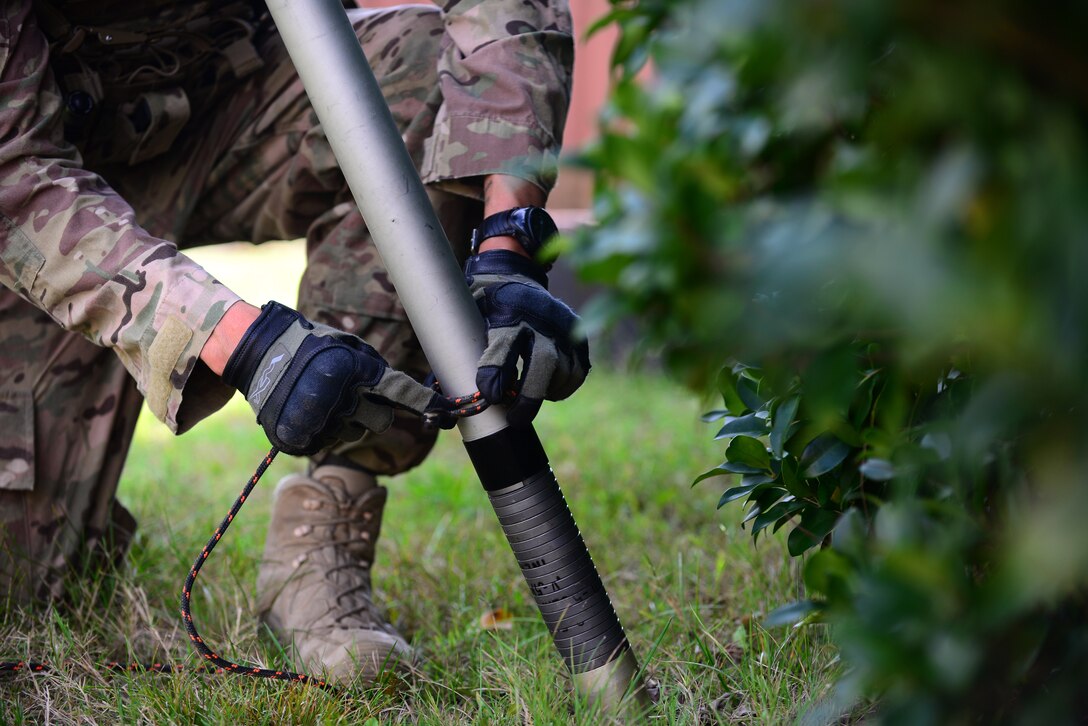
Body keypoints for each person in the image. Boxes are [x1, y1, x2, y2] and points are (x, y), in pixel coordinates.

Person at [0, 0, 588, 684]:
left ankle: (319, 546)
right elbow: (12, 175)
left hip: (234, 102)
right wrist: (246, 344)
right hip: (43, 180)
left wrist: (508, 244)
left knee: (419, 58)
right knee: (19, 593)